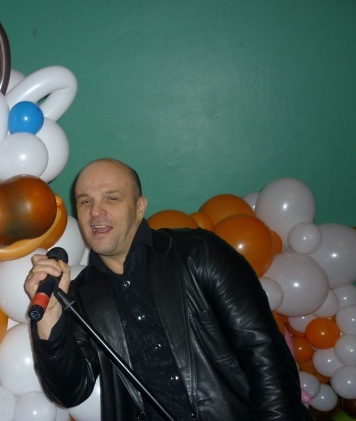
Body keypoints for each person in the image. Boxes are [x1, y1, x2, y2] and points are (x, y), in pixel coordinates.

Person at [25, 158, 311, 421]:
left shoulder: (199, 253)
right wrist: (49, 318)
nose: (96, 212)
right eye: (85, 201)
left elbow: (265, 356)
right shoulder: (80, 295)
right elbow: (69, 392)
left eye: (111, 198)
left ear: (139, 208)